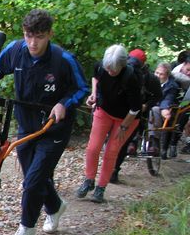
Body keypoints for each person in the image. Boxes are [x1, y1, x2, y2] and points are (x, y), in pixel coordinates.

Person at [0, 9, 88, 235]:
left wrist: (62, 103)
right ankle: (55, 207)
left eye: (39, 36)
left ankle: (26, 227)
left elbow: (81, 89)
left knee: (33, 180)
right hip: (26, 124)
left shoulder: (63, 60)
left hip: (54, 128)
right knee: (34, 174)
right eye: (28, 35)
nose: (33, 42)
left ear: (49, 34)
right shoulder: (16, 51)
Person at [77, 45, 142, 203]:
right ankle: (89, 180)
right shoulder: (101, 67)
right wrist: (94, 94)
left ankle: (101, 188)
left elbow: (136, 108)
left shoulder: (131, 77)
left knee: (111, 151)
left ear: (123, 65)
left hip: (126, 117)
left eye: (114, 69)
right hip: (104, 110)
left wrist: (124, 126)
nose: (110, 72)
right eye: (108, 68)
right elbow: (95, 77)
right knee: (93, 147)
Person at [110, 48, 162, 182]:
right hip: (119, 110)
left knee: (123, 142)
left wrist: (146, 105)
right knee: (118, 141)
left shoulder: (151, 79)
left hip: (137, 114)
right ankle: (112, 169)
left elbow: (157, 96)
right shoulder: (121, 71)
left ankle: (114, 170)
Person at [148, 62, 180, 158]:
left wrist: (164, 108)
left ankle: (154, 142)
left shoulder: (172, 86)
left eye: (161, 74)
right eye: (156, 73)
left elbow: (168, 99)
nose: (157, 76)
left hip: (163, 111)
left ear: (167, 75)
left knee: (155, 110)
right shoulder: (150, 81)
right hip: (147, 107)